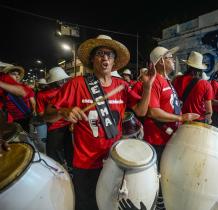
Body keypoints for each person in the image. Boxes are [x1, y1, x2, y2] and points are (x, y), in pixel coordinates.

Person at [44, 34, 155, 210]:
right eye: (100, 54)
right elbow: (47, 115)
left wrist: (148, 86)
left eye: (109, 55)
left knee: (110, 204)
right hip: (86, 164)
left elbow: (141, 111)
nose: (105, 58)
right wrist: (62, 112)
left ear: (114, 61)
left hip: (114, 161)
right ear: (92, 59)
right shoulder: (77, 84)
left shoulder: (122, 86)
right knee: (87, 205)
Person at [143, 46, 199, 210]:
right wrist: (180, 118)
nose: (173, 60)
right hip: (157, 140)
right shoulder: (155, 82)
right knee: (158, 179)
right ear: (160, 61)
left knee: (168, 177)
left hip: (168, 138)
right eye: (169, 57)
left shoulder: (167, 80)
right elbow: (153, 112)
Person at [36, 67, 73, 168]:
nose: (63, 81)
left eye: (64, 79)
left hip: (67, 125)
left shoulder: (65, 90)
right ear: (54, 81)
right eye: (60, 79)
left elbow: (41, 114)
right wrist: (58, 112)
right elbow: (41, 114)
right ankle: (64, 170)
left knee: (61, 152)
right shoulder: (42, 95)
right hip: (56, 127)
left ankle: (65, 170)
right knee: (59, 152)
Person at [173, 51, 214, 124]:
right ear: (200, 68)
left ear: (188, 66)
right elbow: (209, 111)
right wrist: (209, 119)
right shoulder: (205, 84)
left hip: (180, 120)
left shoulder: (176, 80)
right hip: (198, 122)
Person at [2, 65, 35, 131]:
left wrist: (32, 113)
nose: (17, 76)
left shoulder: (25, 88)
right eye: (14, 74)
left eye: (18, 74)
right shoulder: (3, 89)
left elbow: (33, 103)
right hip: (10, 121)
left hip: (24, 119)